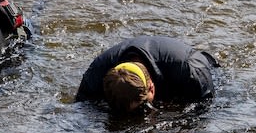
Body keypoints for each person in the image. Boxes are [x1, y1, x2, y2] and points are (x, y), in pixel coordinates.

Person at [75, 36, 219, 115]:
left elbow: (204, 110)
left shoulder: (191, 71)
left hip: (208, 74)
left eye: (141, 107)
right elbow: (82, 108)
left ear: (151, 87)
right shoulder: (94, 77)